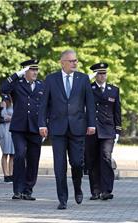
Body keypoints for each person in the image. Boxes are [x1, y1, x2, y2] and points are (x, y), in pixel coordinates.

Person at [38, 49, 96, 210]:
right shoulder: (51, 79)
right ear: (62, 62)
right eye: (71, 61)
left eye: (76, 61)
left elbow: (89, 103)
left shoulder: (83, 79)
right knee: (59, 165)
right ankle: (62, 199)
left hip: (78, 128)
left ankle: (77, 188)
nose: (74, 63)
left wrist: (92, 124)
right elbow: (43, 104)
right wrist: (42, 124)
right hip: (57, 129)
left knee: (77, 163)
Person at [0, 59, 44, 200]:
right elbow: (3, 88)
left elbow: (48, 106)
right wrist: (17, 74)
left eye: (36, 69)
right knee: (19, 155)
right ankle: (17, 190)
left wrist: (45, 125)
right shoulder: (17, 85)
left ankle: (28, 190)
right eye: (32, 69)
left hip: (36, 128)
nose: (35, 72)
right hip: (19, 128)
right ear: (25, 71)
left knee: (33, 159)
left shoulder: (41, 85)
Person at [85, 62, 121, 201]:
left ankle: (106, 190)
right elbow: (77, 89)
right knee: (92, 160)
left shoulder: (113, 90)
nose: (102, 76)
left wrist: (118, 130)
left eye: (104, 73)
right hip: (91, 129)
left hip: (108, 130)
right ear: (95, 75)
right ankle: (95, 190)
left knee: (106, 157)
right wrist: (89, 77)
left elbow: (117, 111)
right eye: (99, 73)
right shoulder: (88, 88)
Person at [0, 95, 15, 183]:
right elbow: (4, 116)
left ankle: (11, 174)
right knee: (5, 153)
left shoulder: (15, 103)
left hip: (12, 130)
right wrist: (14, 119)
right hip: (5, 130)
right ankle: (6, 175)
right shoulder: (4, 102)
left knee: (12, 154)